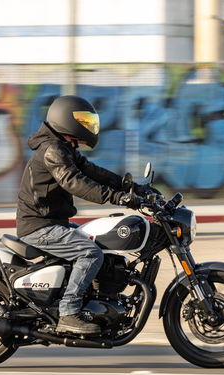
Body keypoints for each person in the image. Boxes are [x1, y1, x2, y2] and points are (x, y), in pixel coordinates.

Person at [16, 95, 144, 335]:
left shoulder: (63, 147)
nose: (88, 125)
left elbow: (93, 172)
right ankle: (69, 313)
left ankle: (93, 304)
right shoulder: (52, 149)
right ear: (65, 119)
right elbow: (74, 182)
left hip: (52, 222)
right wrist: (117, 198)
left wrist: (132, 188)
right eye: (82, 120)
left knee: (101, 244)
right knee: (90, 252)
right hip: (39, 226)